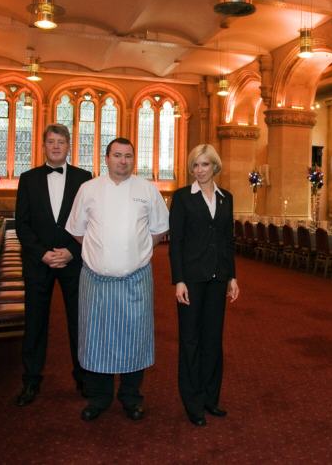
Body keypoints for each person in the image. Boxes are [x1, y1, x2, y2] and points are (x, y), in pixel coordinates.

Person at [66, 137, 169, 422]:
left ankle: (131, 397)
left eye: (128, 156)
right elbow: (77, 230)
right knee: (95, 339)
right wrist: (100, 253)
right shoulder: (88, 189)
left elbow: (159, 230)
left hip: (135, 280)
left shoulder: (147, 190)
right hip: (96, 281)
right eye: (117, 155)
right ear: (106, 158)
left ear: (133, 160)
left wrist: (135, 252)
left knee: (134, 340)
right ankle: (98, 397)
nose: (123, 161)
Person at [15, 123, 93, 407]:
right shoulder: (28, 178)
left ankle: (83, 377)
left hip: (74, 262)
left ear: (69, 145)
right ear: (44, 146)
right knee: (35, 323)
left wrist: (72, 251)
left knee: (78, 321)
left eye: (61, 141)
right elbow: (22, 225)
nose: (56, 146)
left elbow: (90, 222)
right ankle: (31, 380)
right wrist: (42, 254)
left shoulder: (85, 179)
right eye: (51, 141)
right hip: (39, 263)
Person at [168, 144, 239, 426]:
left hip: (218, 279)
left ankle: (211, 397)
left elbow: (228, 241)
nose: (199, 170)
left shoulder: (226, 198)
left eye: (205, 165)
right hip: (191, 280)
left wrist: (232, 277)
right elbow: (177, 243)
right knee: (190, 340)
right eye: (195, 165)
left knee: (213, 340)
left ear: (215, 167)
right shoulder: (183, 198)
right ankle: (193, 401)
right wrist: (179, 280)